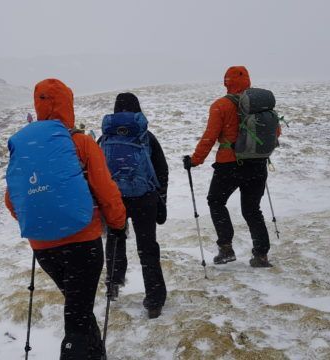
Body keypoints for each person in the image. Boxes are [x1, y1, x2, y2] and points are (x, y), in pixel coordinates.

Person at [5, 79, 126, 359]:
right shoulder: (81, 143)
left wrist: (41, 222)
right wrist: (118, 224)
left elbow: (13, 200)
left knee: (78, 308)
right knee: (77, 318)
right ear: (68, 105)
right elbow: (107, 191)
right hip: (83, 242)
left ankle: (96, 355)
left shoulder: (27, 147)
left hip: (44, 249)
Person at [183, 66, 277, 268]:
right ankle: (261, 255)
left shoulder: (221, 106)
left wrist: (194, 160)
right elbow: (275, 132)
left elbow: (210, 137)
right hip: (257, 164)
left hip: (229, 165)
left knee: (216, 201)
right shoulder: (261, 105)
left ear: (227, 82)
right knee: (252, 209)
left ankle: (226, 248)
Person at [99, 93, 169, 319]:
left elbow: (98, 173)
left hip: (114, 198)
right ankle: (154, 301)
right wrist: (161, 198)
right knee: (148, 247)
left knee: (115, 239)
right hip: (144, 198)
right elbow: (161, 169)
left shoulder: (105, 138)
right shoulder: (145, 136)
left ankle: (113, 283)